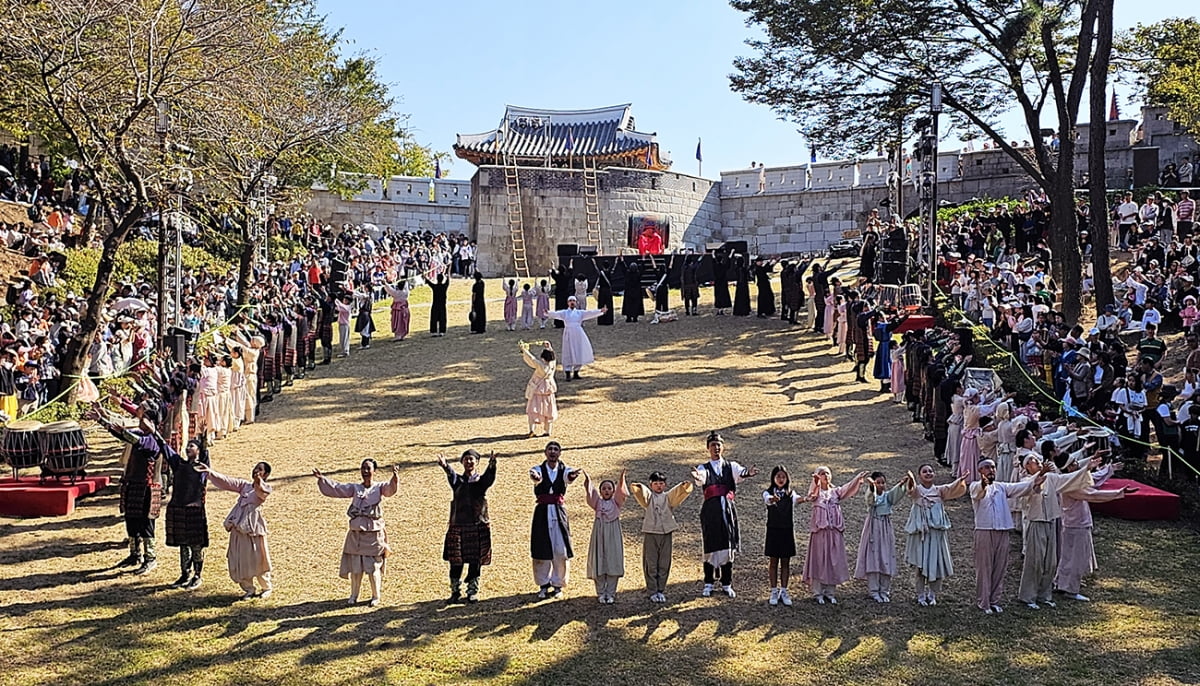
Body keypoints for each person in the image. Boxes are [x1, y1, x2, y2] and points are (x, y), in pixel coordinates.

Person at [1016, 450, 1098, 610]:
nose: (1037, 461)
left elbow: (1068, 479)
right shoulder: (1025, 479)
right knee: (1036, 560)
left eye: (1037, 459)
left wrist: (1086, 468)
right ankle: (1028, 596)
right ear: (1026, 466)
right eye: (1032, 460)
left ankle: (1044, 595)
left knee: (1050, 561)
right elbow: (1030, 489)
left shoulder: (1052, 477)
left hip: (1051, 521)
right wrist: (1040, 477)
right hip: (1037, 522)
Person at [313, 459, 400, 607]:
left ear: (374, 471)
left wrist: (395, 477)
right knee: (355, 568)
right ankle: (354, 595)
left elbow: (390, 489)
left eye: (368, 468)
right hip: (356, 535)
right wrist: (323, 480)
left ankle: (375, 596)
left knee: (373, 568)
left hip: (373, 534)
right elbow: (338, 488)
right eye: (363, 468)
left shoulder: (379, 488)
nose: (365, 471)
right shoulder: (355, 488)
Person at [95, 401, 169, 576]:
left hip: (148, 488)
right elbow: (124, 436)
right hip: (134, 485)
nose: (141, 421)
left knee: (146, 524)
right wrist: (101, 421)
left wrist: (122, 431)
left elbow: (135, 440)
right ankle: (134, 554)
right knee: (131, 520)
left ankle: (150, 558)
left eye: (145, 419)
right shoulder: (140, 434)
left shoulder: (153, 441)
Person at [970, 458, 1043, 614]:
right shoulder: (974, 486)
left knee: (1000, 567)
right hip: (985, 530)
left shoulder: (1002, 487)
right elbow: (978, 491)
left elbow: (1021, 487)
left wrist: (1038, 477)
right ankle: (983, 602)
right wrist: (983, 483)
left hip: (1002, 530)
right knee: (984, 567)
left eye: (993, 467)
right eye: (987, 467)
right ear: (980, 471)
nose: (991, 470)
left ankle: (994, 600)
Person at [1055, 457, 1134, 601]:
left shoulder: (1071, 481)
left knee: (1067, 557)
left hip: (1073, 523)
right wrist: (1119, 493)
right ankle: (1071, 590)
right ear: (1068, 469)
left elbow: (1092, 479)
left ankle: (1062, 584)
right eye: (1073, 464)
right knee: (1076, 559)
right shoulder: (1070, 485)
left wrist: (1110, 469)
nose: (1076, 465)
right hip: (1076, 524)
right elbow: (1092, 494)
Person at [193, 459, 274, 600]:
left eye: (259, 470)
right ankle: (249, 589)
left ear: (265, 474)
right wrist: (210, 473)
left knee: (258, 559)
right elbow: (228, 481)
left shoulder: (265, 488)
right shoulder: (244, 486)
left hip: (253, 530)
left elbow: (262, 491)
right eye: (255, 468)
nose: (255, 471)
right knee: (240, 559)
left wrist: (258, 481)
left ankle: (266, 587)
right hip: (238, 528)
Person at [691, 431, 759, 598]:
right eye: (713, 445)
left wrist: (749, 473)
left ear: (723, 447)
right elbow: (701, 478)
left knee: (727, 545)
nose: (716, 448)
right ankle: (708, 582)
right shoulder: (704, 468)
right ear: (708, 448)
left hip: (727, 509)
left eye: (718, 445)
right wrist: (697, 476)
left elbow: (742, 473)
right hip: (711, 511)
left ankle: (726, 582)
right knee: (710, 544)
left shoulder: (731, 466)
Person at [438, 449, 498, 604]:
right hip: (458, 526)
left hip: (477, 525)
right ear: (462, 462)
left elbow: (489, 478)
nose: (469, 462)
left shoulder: (480, 482)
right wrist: (445, 466)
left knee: (475, 561)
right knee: (455, 561)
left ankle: (472, 591)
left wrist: (492, 464)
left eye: (471, 459)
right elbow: (451, 475)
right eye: (466, 459)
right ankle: (455, 591)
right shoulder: (458, 481)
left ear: (477, 462)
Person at [801, 466, 868, 604]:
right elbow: (812, 495)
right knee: (819, 561)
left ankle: (830, 592)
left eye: (827, 473)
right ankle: (818, 592)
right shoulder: (816, 493)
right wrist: (815, 482)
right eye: (822, 473)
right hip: (820, 533)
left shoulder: (836, 492)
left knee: (833, 561)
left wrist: (857, 478)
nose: (825, 476)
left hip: (834, 532)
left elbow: (848, 488)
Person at [903, 465, 968, 606]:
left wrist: (960, 480)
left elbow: (952, 488)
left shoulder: (939, 490)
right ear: (920, 475)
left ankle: (932, 594)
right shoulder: (917, 491)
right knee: (920, 566)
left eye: (930, 471)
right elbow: (911, 489)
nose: (928, 473)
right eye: (924, 471)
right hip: (921, 534)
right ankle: (920, 595)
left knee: (937, 564)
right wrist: (911, 479)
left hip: (936, 534)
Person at [629, 471, 693, 603]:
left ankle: (660, 590)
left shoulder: (668, 497)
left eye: (661, 483)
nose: (659, 486)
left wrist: (683, 486)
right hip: (651, 532)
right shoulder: (649, 498)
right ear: (651, 485)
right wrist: (639, 487)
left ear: (665, 485)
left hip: (666, 532)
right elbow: (643, 494)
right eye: (656, 483)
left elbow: (676, 493)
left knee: (664, 563)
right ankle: (652, 590)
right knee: (651, 563)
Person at [529, 441, 580, 599]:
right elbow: (535, 476)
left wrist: (573, 476)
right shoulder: (539, 469)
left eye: (555, 449)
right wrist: (536, 477)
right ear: (545, 452)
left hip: (558, 512)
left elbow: (569, 476)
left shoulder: (564, 469)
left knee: (560, 550)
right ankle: (543, 584)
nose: (552, 452)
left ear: (560, 453)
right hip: (542, 512)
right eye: (550, 449)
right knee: (542, 549)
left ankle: (558, 584)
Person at [854, 470, 909, 603]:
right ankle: (874, 590)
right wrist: (872, 488)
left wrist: (902, 483)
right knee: (874, 558)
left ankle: (884, 590)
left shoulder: (887, 496)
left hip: (885, 527)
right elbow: (871, 500)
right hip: (873, 527)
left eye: (883, 482)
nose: (881, 485)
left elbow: (895, 495)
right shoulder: (871, 495)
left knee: (886, 557)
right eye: (878, 483)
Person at [164, 438, 210, 590]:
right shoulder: (178, 464)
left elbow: (205, 458)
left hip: (195, 510)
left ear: (198, 450)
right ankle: (185, 574)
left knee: (196, 545)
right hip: (179, 508)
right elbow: (165, 449)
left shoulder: (202, 468)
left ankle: (197, 575)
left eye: (192, 446)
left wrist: (203, 440)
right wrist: (154, 432)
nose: (188, 448)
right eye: (187, 446)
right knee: (183, 545)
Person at [763, 465, 808, 607]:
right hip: (773, 530)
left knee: (786, 563)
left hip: (786, 530)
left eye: (783, 476)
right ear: (773, 478)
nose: (781, 479)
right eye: (778, 476)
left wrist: (807, 498)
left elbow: (798, 499)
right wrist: (772, 499)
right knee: (773, 562)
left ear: (787, 478)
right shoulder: (768, 492)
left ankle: (784, 590)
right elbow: (768, 499)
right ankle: (773, 591)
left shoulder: (790, 493)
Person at [584, 469, 628, 604]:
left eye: (609, 488)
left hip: (613, 534)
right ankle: (601, 593)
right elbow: (591, 493)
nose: (607, 491)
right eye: (604, 488)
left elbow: (622, 492)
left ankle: (611, 593)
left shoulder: (616, 503)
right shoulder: (598, 503)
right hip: (599, 534)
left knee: (612, 561)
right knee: (600, 562)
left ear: (613, 491)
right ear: (601, 491)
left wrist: (621, 479)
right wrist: (588, 482)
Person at [547, 296, 606, 380]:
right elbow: (556, 314)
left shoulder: (580, 313)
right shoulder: (564, 313)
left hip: (578, 334)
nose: (572, 302)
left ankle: (576, 372)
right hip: (568, 334)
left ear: (576, 303)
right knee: (568, 352)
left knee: (579, 351)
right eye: (570, 301)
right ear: (568, 303)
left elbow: (590, 313)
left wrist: (600, 311)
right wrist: (548, 313)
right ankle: (567, 372)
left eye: (573, 301)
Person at [519, 340, 558, 437]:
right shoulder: (552, 365)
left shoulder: (541, 366)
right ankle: (548, 431)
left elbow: (532, 359)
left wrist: (524, 350)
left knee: (533, 409)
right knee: (549, 410)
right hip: (548, 389)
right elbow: (552, 358)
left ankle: (531, 430)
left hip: (537, 390)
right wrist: (549, 347)